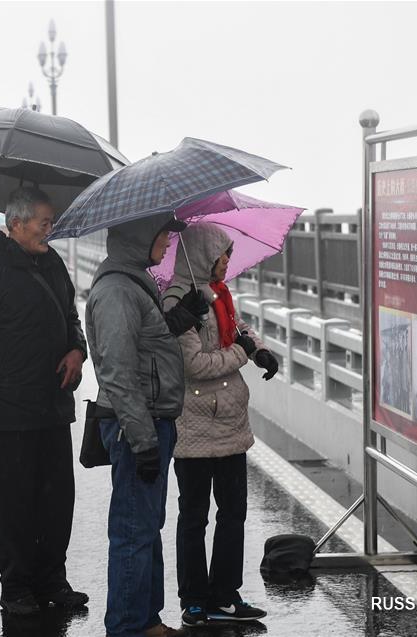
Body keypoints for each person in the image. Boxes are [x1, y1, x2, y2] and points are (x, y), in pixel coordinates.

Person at [0, 186, 88, 616]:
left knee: (57, 500)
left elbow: (70, 317)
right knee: (12, 505)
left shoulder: (54, 263)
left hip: (52, 405)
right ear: (16, 224)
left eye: (51, 222)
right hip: (5, 410)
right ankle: (17, 588)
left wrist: (77, 350)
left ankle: (53, 580)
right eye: (44, 222)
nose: (50, 230)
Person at [85, 212, 207, 637]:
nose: (167, 243)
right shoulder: (118, 290)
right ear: (140, 237)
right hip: (137, 425)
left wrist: (181, 317)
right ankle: (126, 626)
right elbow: (118, 371)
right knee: (133, 530)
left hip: (151, 419)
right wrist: (142, 442)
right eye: (162, 235)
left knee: (146, 526)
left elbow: (145, 344)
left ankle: (146, 619)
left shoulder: (133, 281)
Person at [162, 223, 276, 626]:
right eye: (223, 253)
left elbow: (239, 331)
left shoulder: (218, 295)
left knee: (233, 513)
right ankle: (194, 600)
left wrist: (260, 350)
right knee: (194, 515)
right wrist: (244, 355)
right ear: (204, 254)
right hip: (194, 422)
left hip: (229, 421)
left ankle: (225, 595)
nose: (228, 260)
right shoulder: (181, 299)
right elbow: (193, 365)